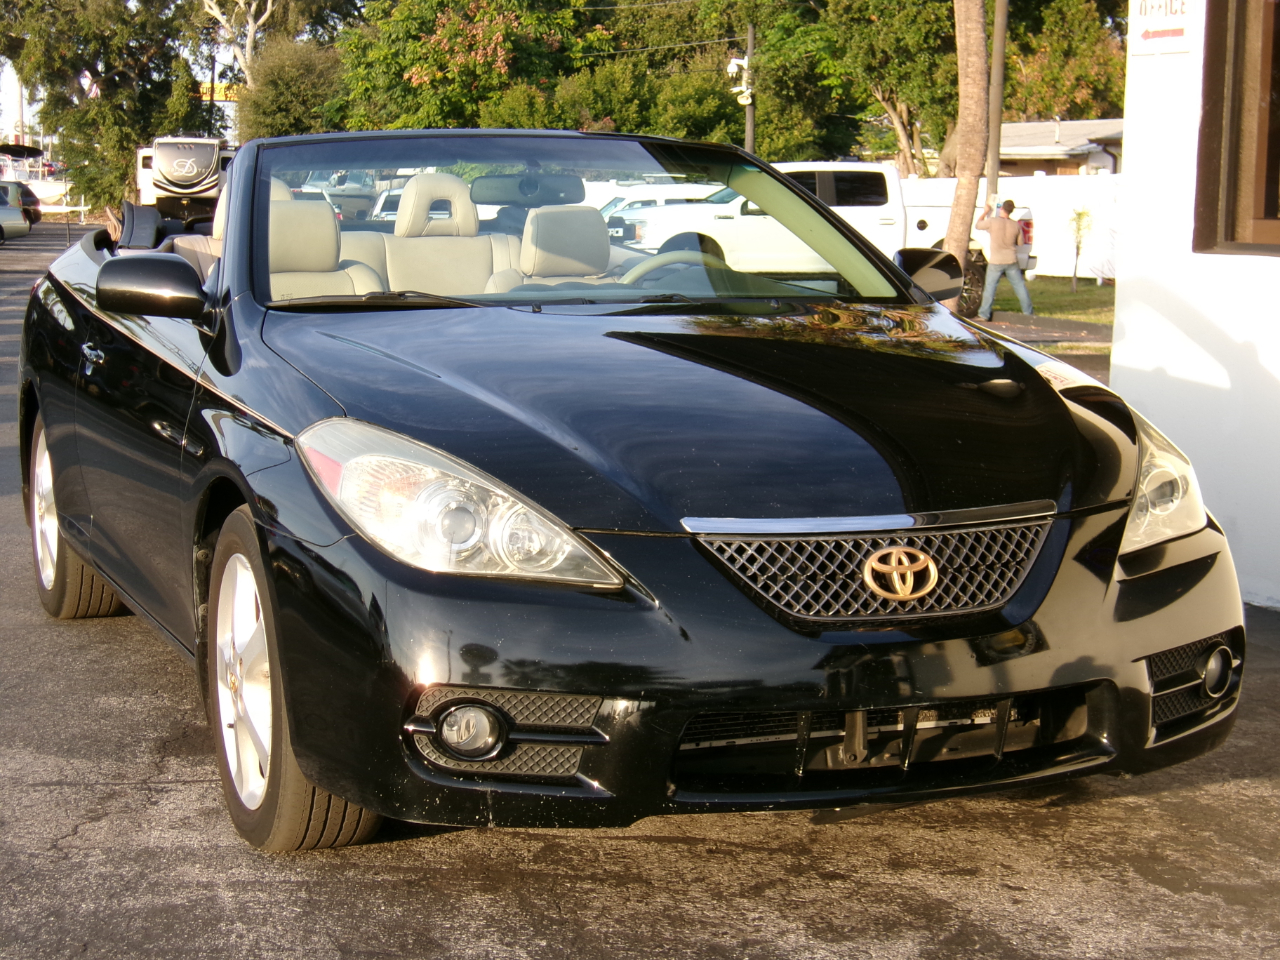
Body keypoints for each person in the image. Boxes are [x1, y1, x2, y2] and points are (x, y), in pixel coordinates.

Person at [975, 198, 1034, 320]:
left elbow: (978, 225)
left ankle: (984, 314)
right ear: (1011, 211)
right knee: (1019, 287)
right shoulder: (1015, 225)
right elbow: (1021, 243)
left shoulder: (992, 222)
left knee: (990, 287)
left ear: (1001, 208)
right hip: (1011, 259)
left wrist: (985, 211)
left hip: (996, 261)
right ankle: (1028, 314)